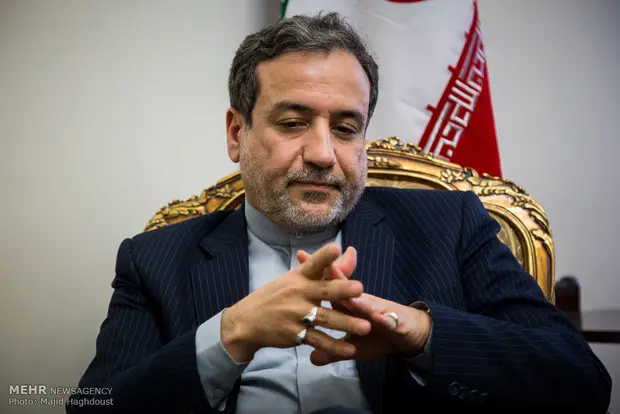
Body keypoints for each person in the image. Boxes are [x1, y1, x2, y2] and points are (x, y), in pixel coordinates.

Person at [68, 12, 611, 414]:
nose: (324, 154)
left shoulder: (450, 227)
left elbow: (581, 383)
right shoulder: (155, 259)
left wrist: (421, 334)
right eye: (292, 123)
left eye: (346, 128)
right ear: (237, 133)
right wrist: (230, 335)